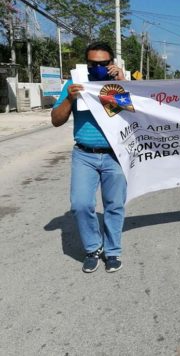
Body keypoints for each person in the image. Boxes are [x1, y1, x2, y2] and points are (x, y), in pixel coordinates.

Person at [51, 41, 127, 273]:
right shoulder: (75, 83)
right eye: (93, 64)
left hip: (115, 154)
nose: (98, 68)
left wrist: (122, 83)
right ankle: (93, 248)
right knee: (81, 204)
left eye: (103, 64)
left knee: (114, 205)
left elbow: (138, 115)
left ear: (111, 64)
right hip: (84, 155)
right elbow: (56, 119)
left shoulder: (122, 84)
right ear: (87, 64)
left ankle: (112, 251)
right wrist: (69, 99)